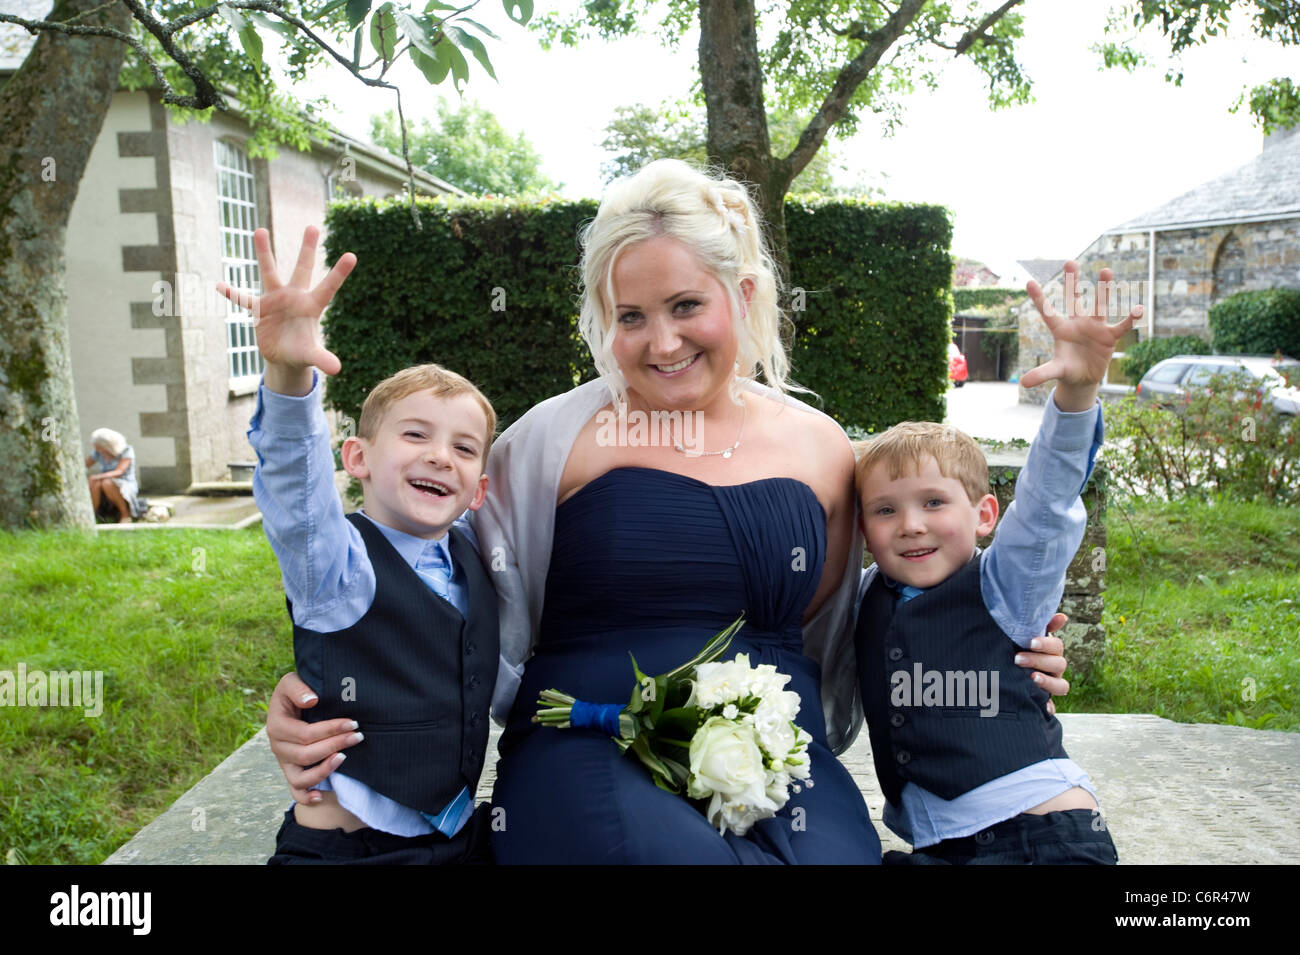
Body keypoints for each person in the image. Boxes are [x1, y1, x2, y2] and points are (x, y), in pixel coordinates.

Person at [259, 160, 1073, 864]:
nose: (661, 342)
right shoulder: (547, 441)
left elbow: (860, 610)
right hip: (582, 741)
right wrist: (330, 686)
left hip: (777, 752)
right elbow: (426, 586)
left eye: (686, 305)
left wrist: (996, 644)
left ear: (741, 294)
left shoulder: (822, 447)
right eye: (631, 316)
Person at [222, 227, 499, 864]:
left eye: (462, 448)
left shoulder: (474, 556)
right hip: (347, 851)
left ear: (478, 489)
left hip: (452, 836)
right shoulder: (335, 566)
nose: (438, 454)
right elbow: (296, 485)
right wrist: (289, 371)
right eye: (415, 435)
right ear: (358, 458)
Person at [853, 261, 1133, 865]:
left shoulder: (1007, 586)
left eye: (933, 502)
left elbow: (1045, 502)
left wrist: (1077, 392)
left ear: (984, 515)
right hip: (940, 844)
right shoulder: (860, 597)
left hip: (1041, 838)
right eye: (884, 510)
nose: (911, 525)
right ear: (860, 527)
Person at [86, 428, 141, 523]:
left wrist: (98, 476)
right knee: (95, 482)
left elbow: (119, 472)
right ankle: (92, 515)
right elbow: (84, 465)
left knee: (106, 482)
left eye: (98, 447)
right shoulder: (98, 452)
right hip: (103, 481)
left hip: (125, 483)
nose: (96, 449)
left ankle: (125, 515)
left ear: (107, 445)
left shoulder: (126, 450)